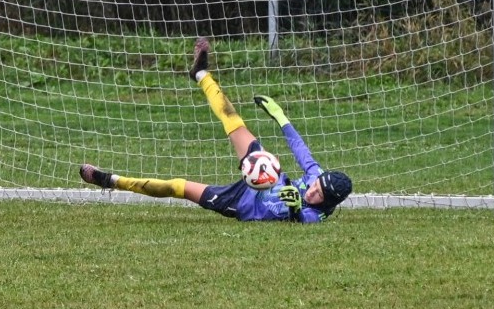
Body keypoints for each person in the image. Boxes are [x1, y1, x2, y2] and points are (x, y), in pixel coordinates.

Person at [79, 37, 352, 223]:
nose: (312, 191)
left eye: (317, 194)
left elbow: (303, 220)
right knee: (233, 119)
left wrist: (294, 210)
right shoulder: (317, 175)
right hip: (265, 174)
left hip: (241, 202)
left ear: (328, 202)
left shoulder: (318, 214)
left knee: (177, 187)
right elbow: (301, 149)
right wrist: (280, 117)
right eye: (315, 185)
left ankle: (109, 180)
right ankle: (201, 74)